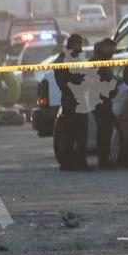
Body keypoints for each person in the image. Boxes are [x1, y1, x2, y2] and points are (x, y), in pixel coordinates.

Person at [53, 34, 88, 171]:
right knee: (73, 133)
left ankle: (72, 162)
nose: (80, 48)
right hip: (72, 100)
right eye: (79, 45)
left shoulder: (70, 58)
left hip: (74, 100)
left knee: (74, 133)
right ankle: (70, 163)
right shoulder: (65, 60)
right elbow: (66, 82)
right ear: (73, 44)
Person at [91, 38, 118, 169]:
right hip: (100, 101)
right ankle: (103, 159)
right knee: (104, 130)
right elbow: (106, 81)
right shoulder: (99, 63)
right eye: (112, 50)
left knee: (104, 130)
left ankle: (104, 158)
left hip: (100, 100)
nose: (113, 52)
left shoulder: (100, 62)